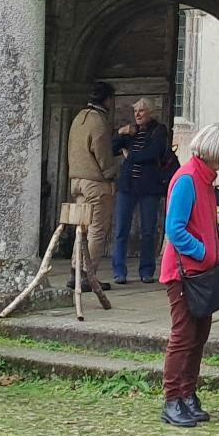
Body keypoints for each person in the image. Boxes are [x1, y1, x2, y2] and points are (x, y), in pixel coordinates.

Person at [160, 121, 219, 428]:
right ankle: (172, 398)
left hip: (203, 273)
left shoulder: (205, 180)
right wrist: (205, 251)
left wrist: (217, 250)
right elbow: (174, 229)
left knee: (199, 335)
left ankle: (189, 394)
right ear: (214, 153)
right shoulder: (188, 179)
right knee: (182, 336)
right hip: (184, 273)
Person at [66, 83, 123, 288]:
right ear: (107, 100)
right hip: (95, 183)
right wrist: (111, 175)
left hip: (77, 181)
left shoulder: (78, 119)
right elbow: (103, 153)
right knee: (96, 230)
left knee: (81, 228)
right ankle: (88, 275)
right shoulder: (98, 121)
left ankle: (75, 271)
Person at [113, 96, 174, 285]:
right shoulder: (130, 131)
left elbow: (152, 153)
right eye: (135, 111)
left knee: (148, 230)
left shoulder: (159, 130)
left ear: (150, 112)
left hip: (149, 187)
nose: (137, 115)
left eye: (141, 111)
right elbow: (113, 147)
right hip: (127, 186)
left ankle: (147, 271)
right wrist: (120, 132)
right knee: (121, 229)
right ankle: (119, 271)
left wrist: (130, 155)